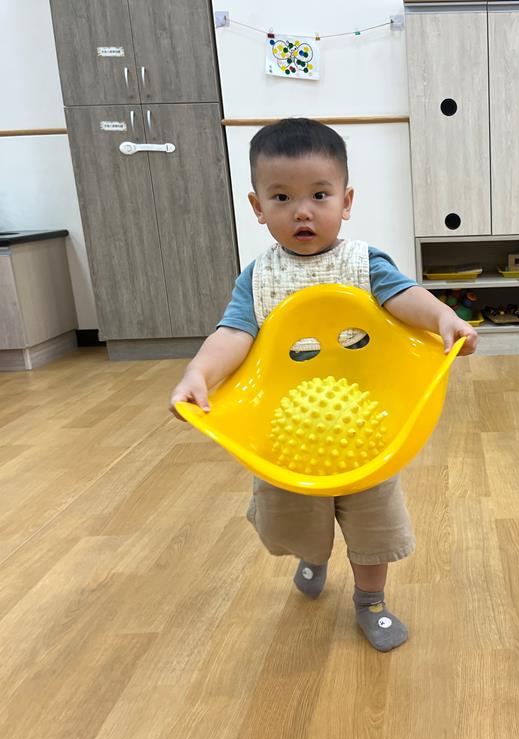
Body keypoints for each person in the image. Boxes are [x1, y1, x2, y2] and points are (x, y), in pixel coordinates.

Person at [169, 118, 477, 651]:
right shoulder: (258, 278)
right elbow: (232, 335)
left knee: (374, 524)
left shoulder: (364, 263)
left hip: (365, 425)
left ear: (345, 201)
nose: (302, 211)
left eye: (319, 195)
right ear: (257, 207)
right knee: (295, 519)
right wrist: (198, 373)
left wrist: (442, 318)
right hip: (289, 430)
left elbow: (405, 296)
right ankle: (313, 557)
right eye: (282, 197)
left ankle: (370, 601)